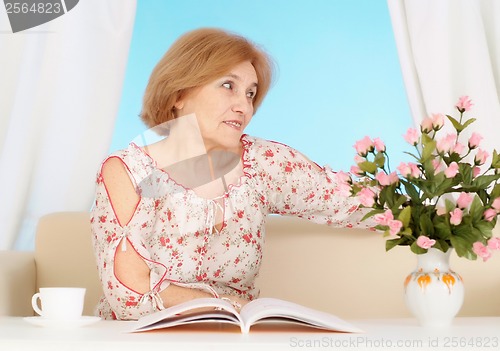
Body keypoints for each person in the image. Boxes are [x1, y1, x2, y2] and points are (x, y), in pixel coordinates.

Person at [90, 28, 372, 320]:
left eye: (250, 93)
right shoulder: (127, 171)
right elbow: (128, 293)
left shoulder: (264, 163)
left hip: (233, 336)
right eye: (228, 86)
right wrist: (225, 304)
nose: (244, 107)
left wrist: (419, 211)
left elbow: (354, 203)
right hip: (142, 339)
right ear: (179, 94)